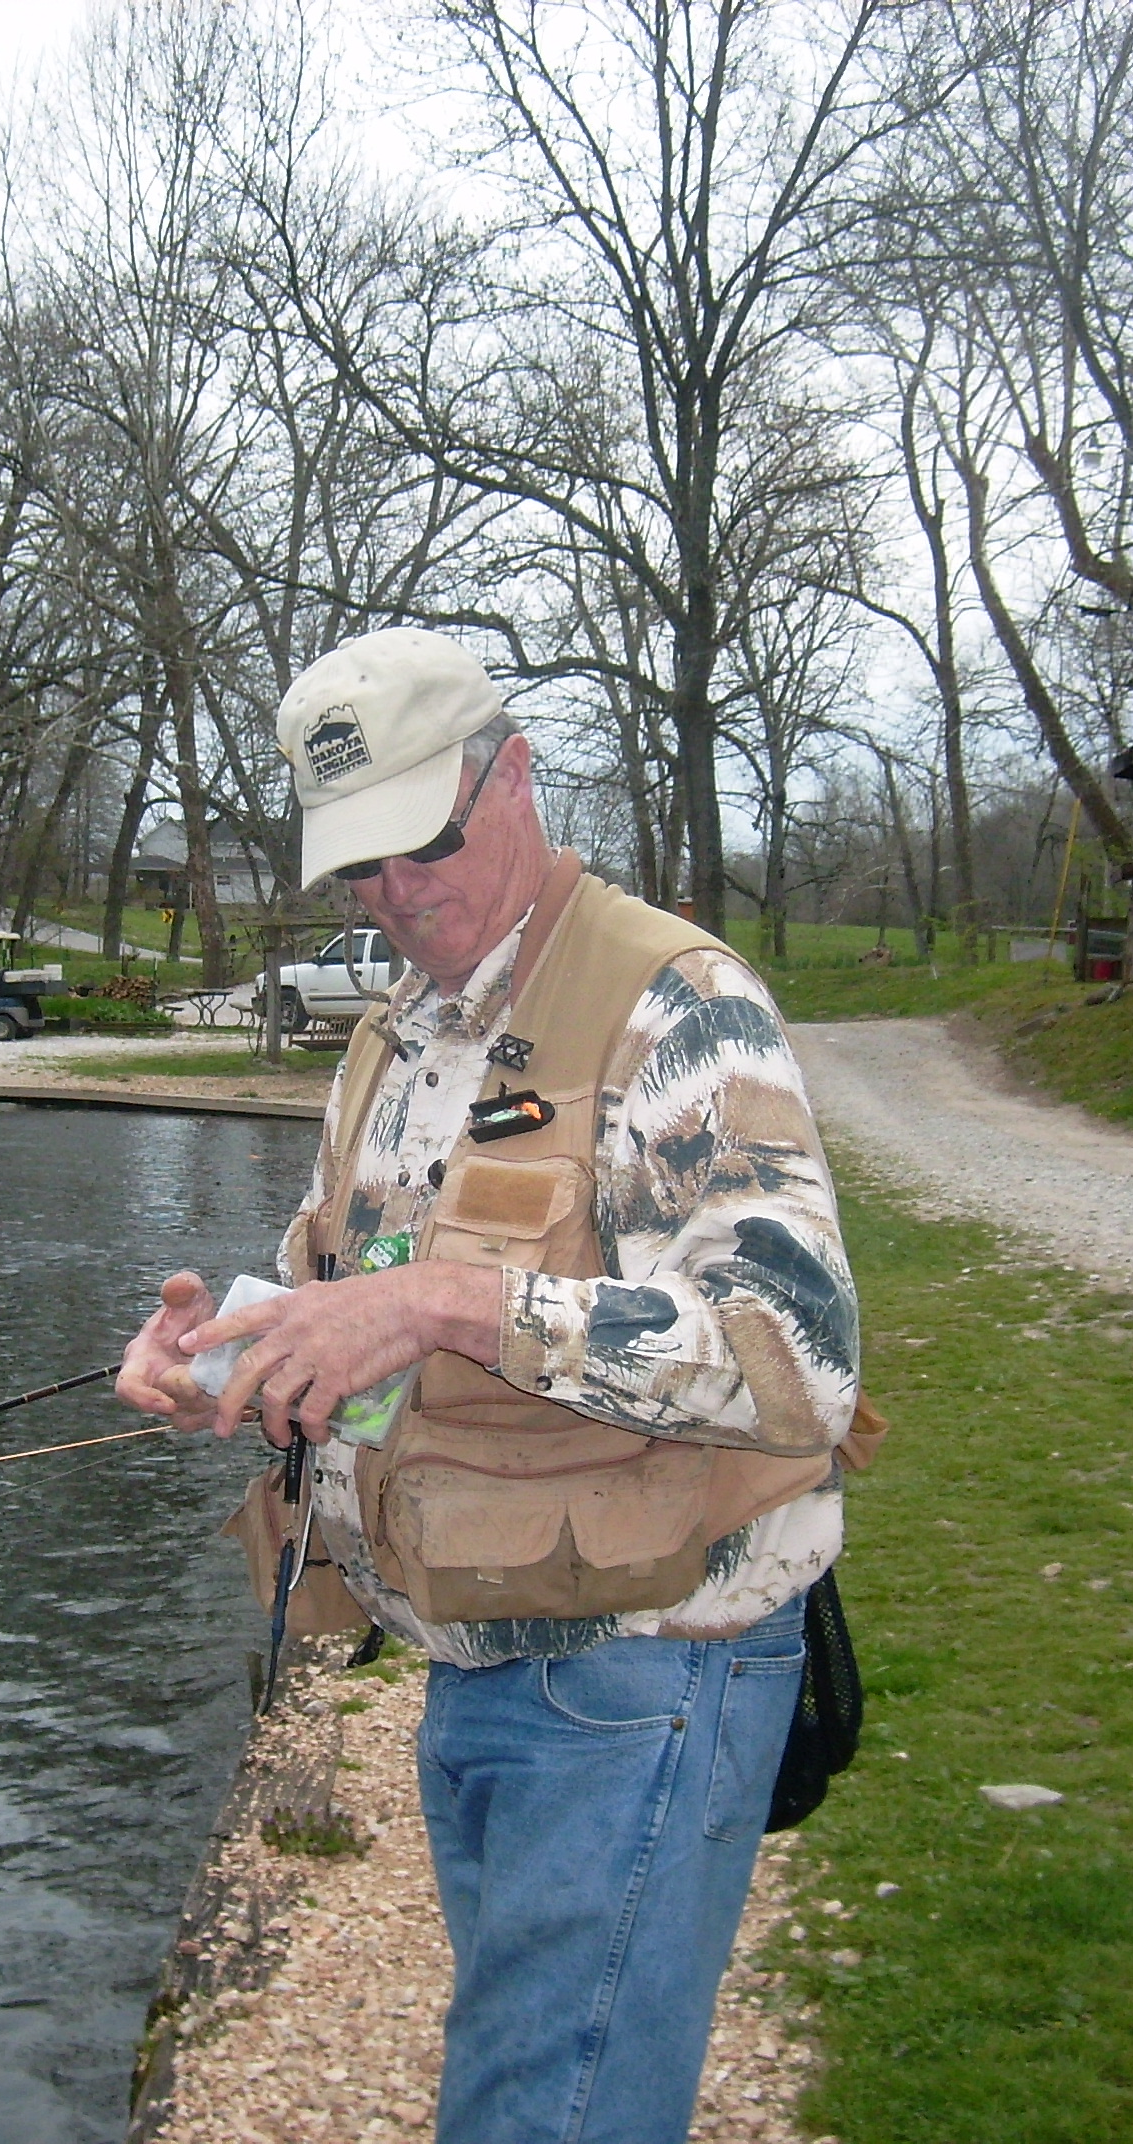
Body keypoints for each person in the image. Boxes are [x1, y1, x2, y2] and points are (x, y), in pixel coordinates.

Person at [116, 627, 862, 2144]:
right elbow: (354, 1307)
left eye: (421, 847)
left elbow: (796, 1361)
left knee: (546, 2114)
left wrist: (450, 1301)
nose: (395, 901)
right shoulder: (396, 1035)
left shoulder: (680, 1007)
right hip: (475, 1665)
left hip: (646, 1672)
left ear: (513, 776)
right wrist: (228, 1359)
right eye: (358, 874)